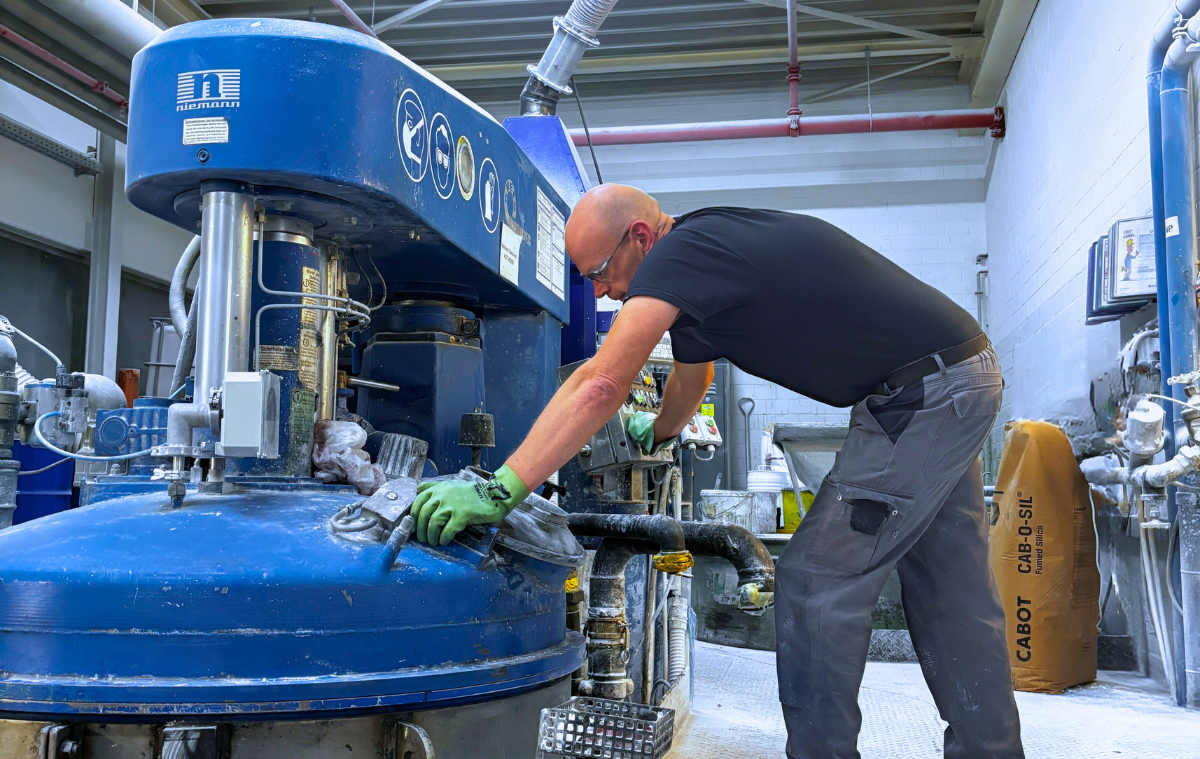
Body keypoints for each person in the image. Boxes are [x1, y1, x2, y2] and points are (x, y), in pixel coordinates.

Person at [411, 184, 1024, 759]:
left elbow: (600, 382)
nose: (599, 293)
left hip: (921, 396)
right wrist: (659, 431)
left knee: (816, 580)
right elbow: (693, 377)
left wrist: (501, 488)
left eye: (600, 272)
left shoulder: (682, 253)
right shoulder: (701, 265)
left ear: (641, 238)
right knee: (952, 586)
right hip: (952, 377)